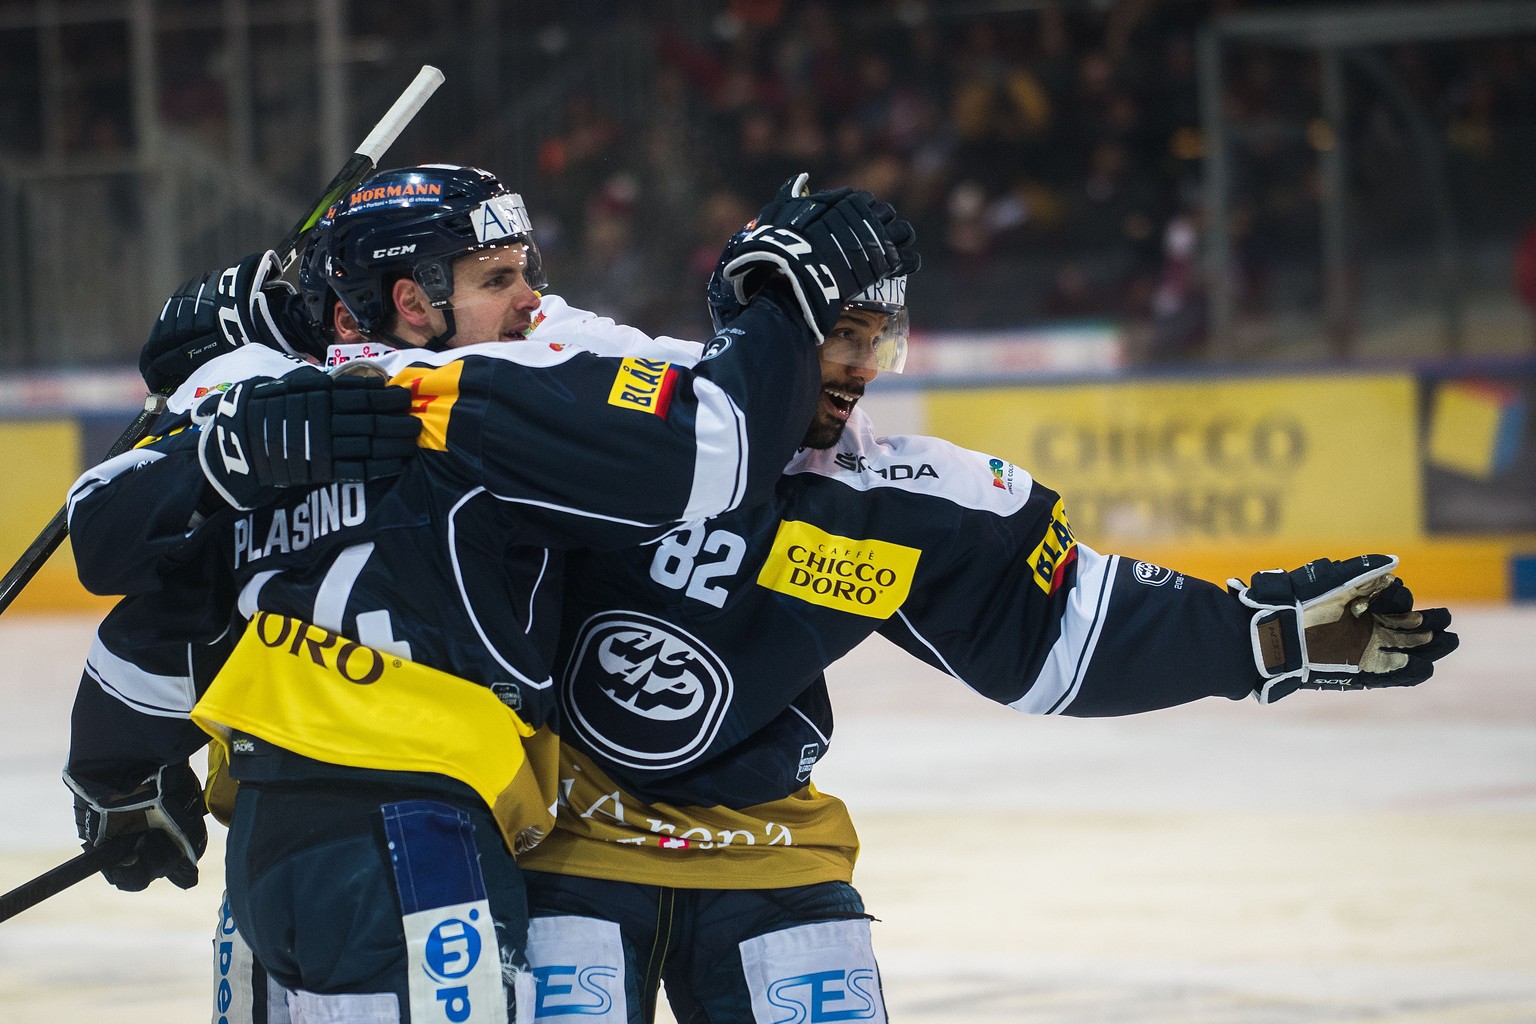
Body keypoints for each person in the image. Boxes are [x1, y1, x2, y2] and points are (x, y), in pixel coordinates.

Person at [63, 164, 917, 1024]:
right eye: (499, 278)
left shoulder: (270, 409)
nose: (529, 302)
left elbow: (142, 600)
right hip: (420, 843)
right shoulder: (474, 400)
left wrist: (115, 777)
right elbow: (715, 444)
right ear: (412, 299)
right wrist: (783, 297)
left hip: (266, 850)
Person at [504, 259, 1459, 1023]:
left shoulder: (889, 497)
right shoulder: (616, 415)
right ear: (766, 324)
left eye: (879, 341)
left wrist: (1263, 638)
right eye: (841, 335)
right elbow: (476, 336)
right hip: (565, 846)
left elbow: (1063, 626)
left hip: (768, 855)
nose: (863, 365)